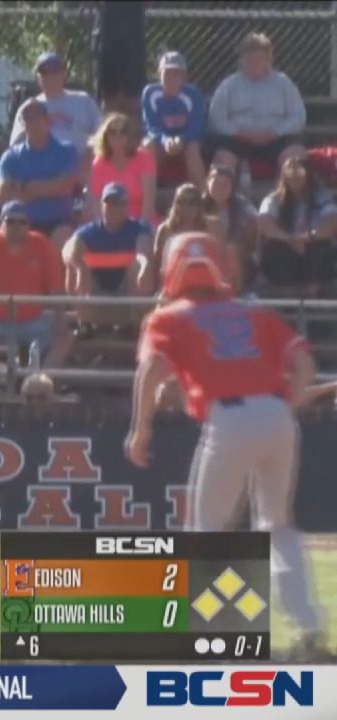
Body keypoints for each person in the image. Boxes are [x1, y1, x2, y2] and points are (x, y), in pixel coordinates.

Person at [127, 231, 331, 662]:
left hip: (228, 418)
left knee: (208, 531)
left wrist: (140, 429)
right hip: (276, 415)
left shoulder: (168, 317)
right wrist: (284, 404)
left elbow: (150, 371)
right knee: (278, 526)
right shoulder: (253, 313)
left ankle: (219, 634)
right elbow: (306, 364)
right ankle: (309, 627)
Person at [0, 201, 70, 404]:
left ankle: (35, 387)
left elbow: (56, 291)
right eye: (11, 222)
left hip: (33, 320)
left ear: (29, 225)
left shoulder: (42, 245)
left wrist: (60, 320)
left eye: (22, 222)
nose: (17, 227)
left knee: (65, 337)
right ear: (0, 224)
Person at [207, 33, 307, 176]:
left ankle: (288, 197)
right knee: (222, 158)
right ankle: (224, 197)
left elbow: (298, 118)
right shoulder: (229, 85)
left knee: (296, 157)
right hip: (238, 140)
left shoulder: (283, 83)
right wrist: (241, 133)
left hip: (276, 139)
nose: (254, 63)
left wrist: (274, 132)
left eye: (258, 59)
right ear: (241, 60)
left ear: (269, 59)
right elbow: (216, 119)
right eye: (249, 59)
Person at [64, 183, 153, 325]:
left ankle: (133, 324)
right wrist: (80, 267)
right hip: (96, 283)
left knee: (140, 267)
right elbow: (68, 250)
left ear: (126, 206)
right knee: (73, 264)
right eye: (109, 203)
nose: (113, 208)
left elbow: (143, 252)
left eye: (118, 203)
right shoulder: (89, 230)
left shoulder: (139, 228)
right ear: (101, 205)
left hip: (125, 284)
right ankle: (85, 323)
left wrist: (144, 265)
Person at [0, 99, 80, 246]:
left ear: (47, 120)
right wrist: (50, 187)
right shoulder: (11, 157)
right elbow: (3, 197)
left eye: (37, 116)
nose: (32, 122)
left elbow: (65, 187)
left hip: (58, 223)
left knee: (66, 239)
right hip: (20, 223)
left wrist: (23, 187)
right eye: (27, 118)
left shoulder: (66, 151)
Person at [9, 52, 103, 175]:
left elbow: (103, 136)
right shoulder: (30, 107)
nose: (49, 76)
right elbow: (16, 148)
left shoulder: (83, 101)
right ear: (38, 77)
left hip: (81, 173)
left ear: (63, 74)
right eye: (44, 72)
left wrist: (88, 158)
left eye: (54, 71)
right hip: (40, 175)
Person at [255, 155, 337, 294]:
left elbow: (332, 220)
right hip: (285, 245)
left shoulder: (321, 196)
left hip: (312, 244)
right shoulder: (273, 199)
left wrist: (308, 237)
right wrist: (288, 238)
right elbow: (264, 221)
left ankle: (312, 295)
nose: (294, 178)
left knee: (322, 247)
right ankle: (289, 298)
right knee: (275, 247)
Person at [141, 51, 206, 185]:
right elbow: (151, 126)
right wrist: (166, 141)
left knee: (193, 148)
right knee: (148, 145)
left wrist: (181, 140)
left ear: (184, 77)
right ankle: (147, 198)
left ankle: (203, 199)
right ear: (159, 75)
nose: (171, 79)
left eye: (176, 74)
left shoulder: (193, 95)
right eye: (167, 74)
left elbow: (196, 127)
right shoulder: (150, 93)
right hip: (161, 143)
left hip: (187, 143)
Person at [87, 112, 158, 227]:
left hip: (142, 222)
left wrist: (140, 228)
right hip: (109, 225)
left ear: (129, 136)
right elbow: (96, 203)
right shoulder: (99, 163)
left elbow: (149, 201)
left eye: (123, 132)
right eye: (112, 133)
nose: (117, 136)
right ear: (105, 136)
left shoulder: (143, 158)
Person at [204, 164, 260, 294]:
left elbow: (252, 242)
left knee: (231, 250)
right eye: (216, 183)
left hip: (238, 255)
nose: (220, 188)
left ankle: (235, 293)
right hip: (206, 252)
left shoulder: (244, 208)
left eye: (225, 184)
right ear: (208, 184)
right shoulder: (199, 206)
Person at [154, 184, 224, 284]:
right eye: (182, 202)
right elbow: (158, 266)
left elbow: (220, 260)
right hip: (174, 282)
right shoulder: (165, 230)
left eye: (193, 202)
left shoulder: (212, 226)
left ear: (199, 205)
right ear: (176, 204)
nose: (187, 206)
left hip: (206, 281)